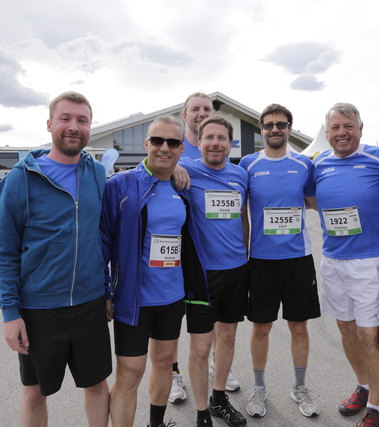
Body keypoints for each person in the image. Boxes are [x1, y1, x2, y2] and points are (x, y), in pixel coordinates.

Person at [0, 91, 111, 426]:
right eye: (66, 118)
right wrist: (10, 313)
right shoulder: (20, 179)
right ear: (49, 124)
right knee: (34, 393)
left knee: (97, 386)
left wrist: (106, 290)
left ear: (89, 128)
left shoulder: (97, 173)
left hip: (90, 303)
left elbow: (103, 236)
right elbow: (5, 252)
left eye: (82, 120)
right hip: (39, 309)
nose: (74, 127)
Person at [100, 115, 196, 427]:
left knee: (165, 363)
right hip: (133, 299)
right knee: (130, 374)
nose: (164, 147)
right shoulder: (120, 185)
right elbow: (102, 241)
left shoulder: (183, 187)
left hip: (172, 297)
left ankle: (156, 424)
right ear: (146, 144)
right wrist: (105, 290)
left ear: (181, 149)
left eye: (172, 142)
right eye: (157, 141)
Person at [312, 103, 379, 427]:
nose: (342, 133)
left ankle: (376, 405)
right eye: (335, 127)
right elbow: (308, 198)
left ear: (360, 129)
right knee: (346, 329)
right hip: (333, 259)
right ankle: (363, 386)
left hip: (369, 261)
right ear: (326, 133)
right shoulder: (318, 164)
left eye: (348, 126)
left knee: (369, 335)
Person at [239, 104, 321, 419]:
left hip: (298, 259)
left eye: (281, 124)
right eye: (269, 124)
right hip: (261, 261)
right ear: (261, 129)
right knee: (261, 328)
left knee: (299, 327)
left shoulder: (304, 164)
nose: (275, 129)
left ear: (289, 128)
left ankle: (300, 387)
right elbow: (239, 211)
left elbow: (315, 202)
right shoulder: (248, 164)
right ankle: (259, 389)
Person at [169, 92, 242, 406]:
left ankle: (218, 383)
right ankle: (173, 375)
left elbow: (244, 215)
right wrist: (172, 167)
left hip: (235, 267)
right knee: (180, 330)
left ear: (230, 142)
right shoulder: (181, 159)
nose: (201, 113)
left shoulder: (240, 173)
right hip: (192, 266)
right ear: (185, 116)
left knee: (226, 332)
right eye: (195, 109)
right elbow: (151, 167)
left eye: (207, 108)